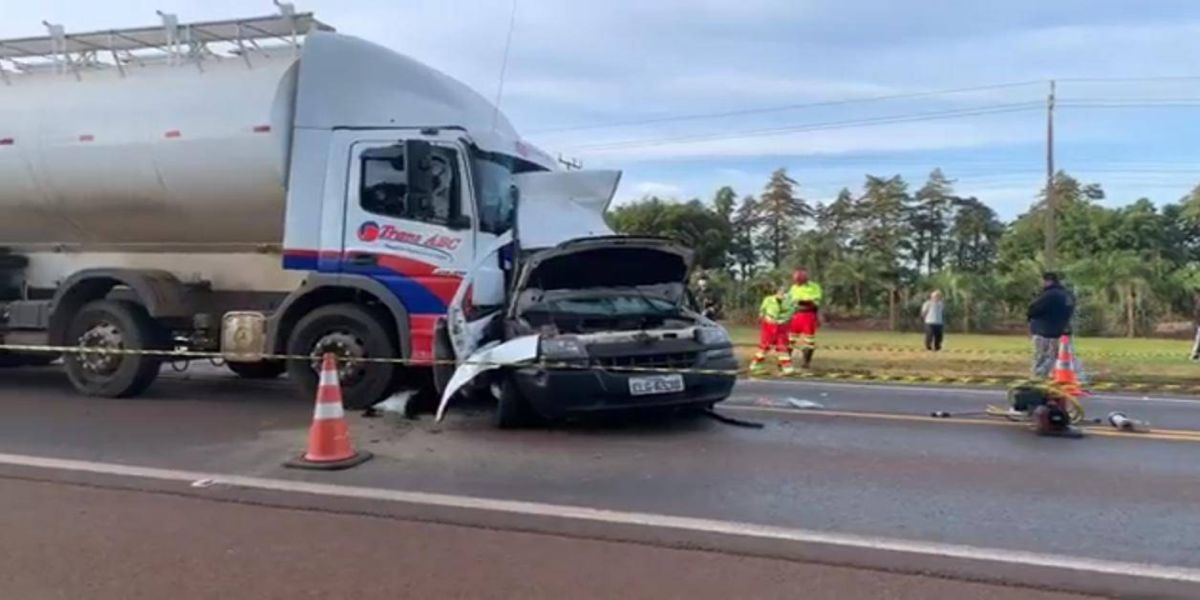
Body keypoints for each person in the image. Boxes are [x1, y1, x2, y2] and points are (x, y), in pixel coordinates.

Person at [1027, 272, 1075, 378]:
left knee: (1041, 357)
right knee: (1056, 357)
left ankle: (1038, 378)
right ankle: (1053, 376)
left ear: (1048, 281)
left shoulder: (1047, 295)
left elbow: (1032, 310)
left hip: (1043, 331)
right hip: (1061, 332)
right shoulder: (1068, 295)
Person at [749, 284, 795, 376]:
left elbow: (791, 312)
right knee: (765, 346)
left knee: (782, 346)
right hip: (769, 325)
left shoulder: (789, 301)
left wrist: (783, 320)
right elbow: (762, 311)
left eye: (784, 291)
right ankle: (755, 365)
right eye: (780, 290)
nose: (782, 292)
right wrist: (766, 318)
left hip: (781, 326)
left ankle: (787, 368)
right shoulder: (768, 300)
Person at [787, 269, 823, 368]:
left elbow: (815, 302)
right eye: (796, 280)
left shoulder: (814, 287)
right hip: (796, 315)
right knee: (790, 339)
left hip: (809, 315)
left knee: (809, 341)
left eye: (800, 280)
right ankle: (786, 361)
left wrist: (804, 302)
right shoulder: (793, 288)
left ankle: (806, 362)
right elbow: (790, 301)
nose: (797, 282)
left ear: (805, 278)